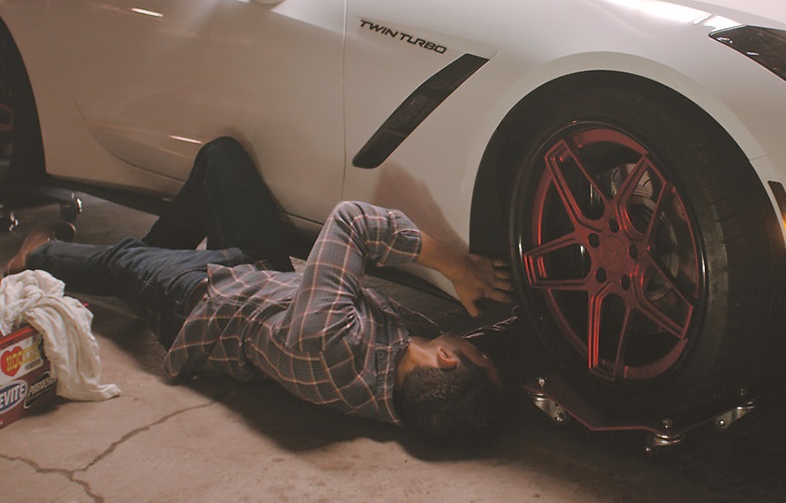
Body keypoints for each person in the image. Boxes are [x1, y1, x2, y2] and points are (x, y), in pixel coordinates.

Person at [3, 137, 515, 443]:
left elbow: (352, 220)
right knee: (220, 158)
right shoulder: (407, 388)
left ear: (446, 360)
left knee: (123, 263)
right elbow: (491, 347)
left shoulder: (329, 342)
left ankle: (35, 257)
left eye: (475, 352)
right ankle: (156, 253)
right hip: (270, 281)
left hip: (200, 303)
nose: (472, 342)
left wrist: (453, 263)